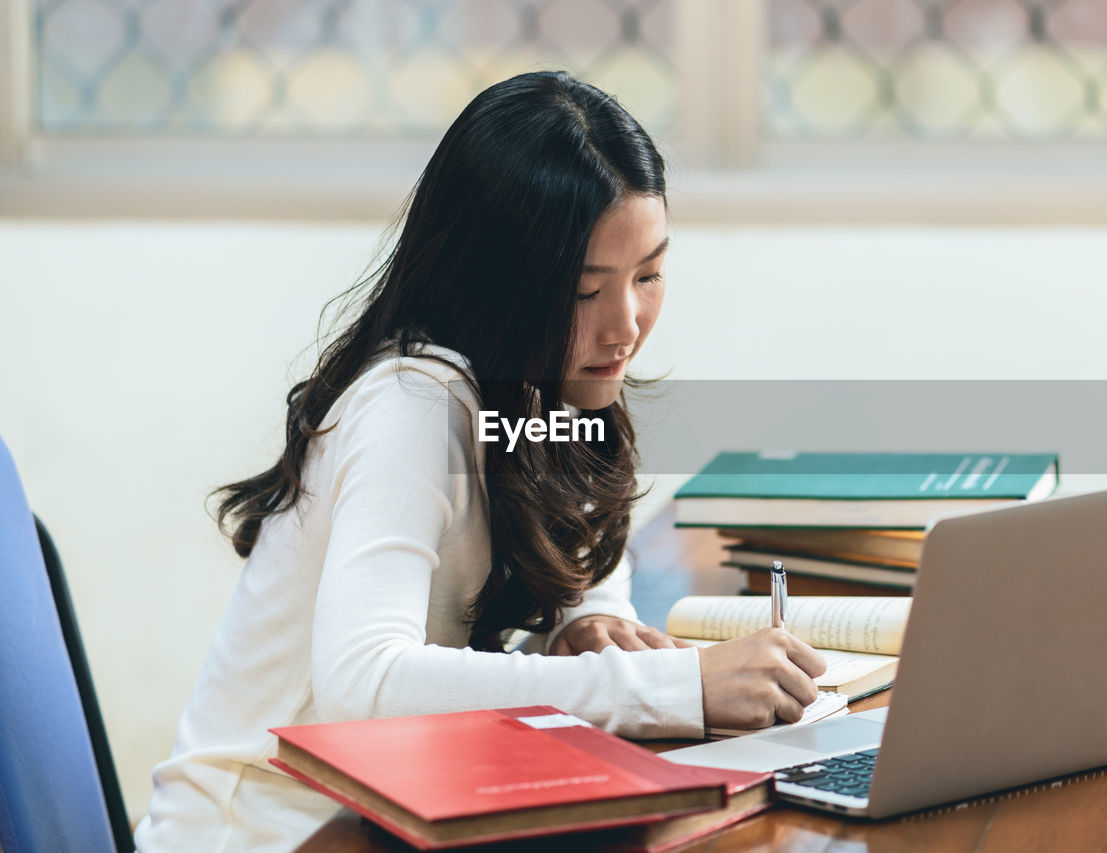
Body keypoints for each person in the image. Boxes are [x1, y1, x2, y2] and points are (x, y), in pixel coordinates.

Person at [134, 71, 825, 852]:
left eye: (649, 275)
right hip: (270, 834)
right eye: (583, 290)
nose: (626, 324)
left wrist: (586, 614)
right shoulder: (412, 405)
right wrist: (678, 687)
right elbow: (366, 685)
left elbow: (580, 543)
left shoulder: (537, 383)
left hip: (390, 816)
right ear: (498, 284)